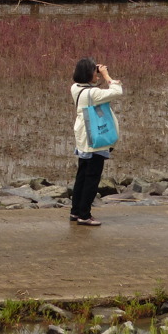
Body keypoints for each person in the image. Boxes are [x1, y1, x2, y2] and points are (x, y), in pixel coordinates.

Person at [70, 58, 123, 227]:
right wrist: (108, 76)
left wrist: (98, 74)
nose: (97, 76)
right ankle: (85, 215)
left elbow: (94, 88)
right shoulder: (92, 94)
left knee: (82, 175)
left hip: (83, 136)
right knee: (92, 178)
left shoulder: (76, 88)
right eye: (95, 73)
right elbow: (117, 91)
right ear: (88, 75)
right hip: (95, 138)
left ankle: (75, 211)